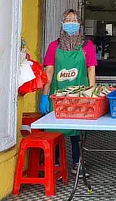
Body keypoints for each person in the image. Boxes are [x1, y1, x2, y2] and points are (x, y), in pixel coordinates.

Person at [40, 9, 97, 173]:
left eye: (74, 20)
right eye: (67, 20)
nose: (71, 23)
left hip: (80, 95)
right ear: (62, 23)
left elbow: (91, 70)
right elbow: (49, 72)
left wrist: (92, 93)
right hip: (58, 96)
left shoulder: (87, 46)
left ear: (79, 24)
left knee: (77, 130)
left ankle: (78, 162)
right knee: (54, 129)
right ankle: (55, 163)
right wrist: (44, 95)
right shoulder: (54, 46)